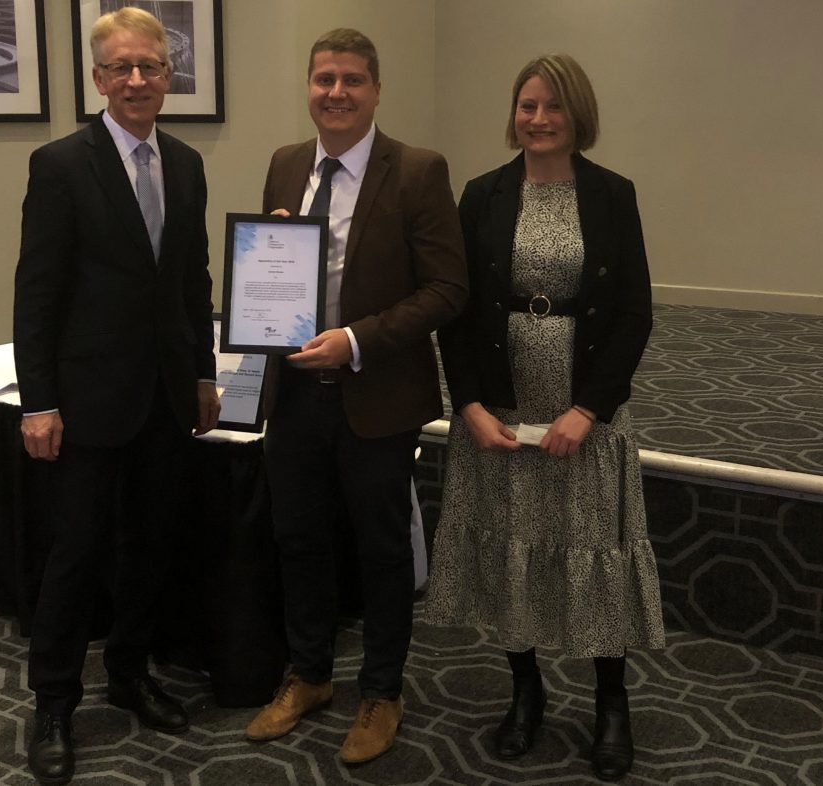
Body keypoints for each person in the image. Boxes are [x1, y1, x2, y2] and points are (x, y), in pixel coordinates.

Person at [424, 54, 665, 781]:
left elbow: (632, 312)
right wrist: (465, 403)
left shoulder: (612, 195)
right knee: (513, 545)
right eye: (526, 105)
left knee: (594, 549)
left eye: (552, 106)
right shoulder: (483, 195)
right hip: (500, 404)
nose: (537, 119)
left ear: (576, 114)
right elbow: (456, 311)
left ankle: (610, 702)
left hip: (581, 405)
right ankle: (524, 691)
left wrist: (588, 408)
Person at [244, 29, 467, 765]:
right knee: (297, 538)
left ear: (376, 90)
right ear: (308, 87)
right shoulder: (284, 165)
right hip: (296, 394)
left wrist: (357, 339)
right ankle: (308, 675)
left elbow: (447, 288)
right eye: (323, 79)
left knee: (378, 549)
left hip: (376, 393)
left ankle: (381, 691)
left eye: (350, 81)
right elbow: (271, 277)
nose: (335, 93)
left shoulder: (418, 171)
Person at [12, 8, 219, 784]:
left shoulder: (189, 163)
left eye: (152, 66)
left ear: (170, 75)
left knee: (149, 548)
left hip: (166, 398)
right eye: (122, 68)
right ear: (98, 78)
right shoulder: (61, 164)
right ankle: (54, 703)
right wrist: (38, 401)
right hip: (88, 399)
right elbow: (37, 294)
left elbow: (192, 283)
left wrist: (203, 374)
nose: (138, 80)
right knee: (76, 554)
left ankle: (130, 673)